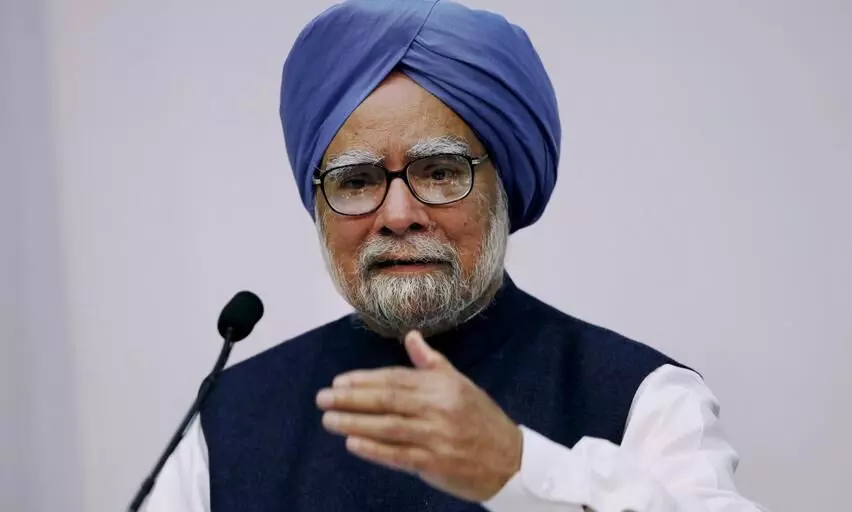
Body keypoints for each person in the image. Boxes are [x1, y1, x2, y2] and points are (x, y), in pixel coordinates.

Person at [144, 1, 767, 510]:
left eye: (440, 171)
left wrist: (519, 469)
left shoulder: (644, 398)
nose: (397, 214)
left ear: (504, 187)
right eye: (356, 181)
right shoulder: (227, 419)